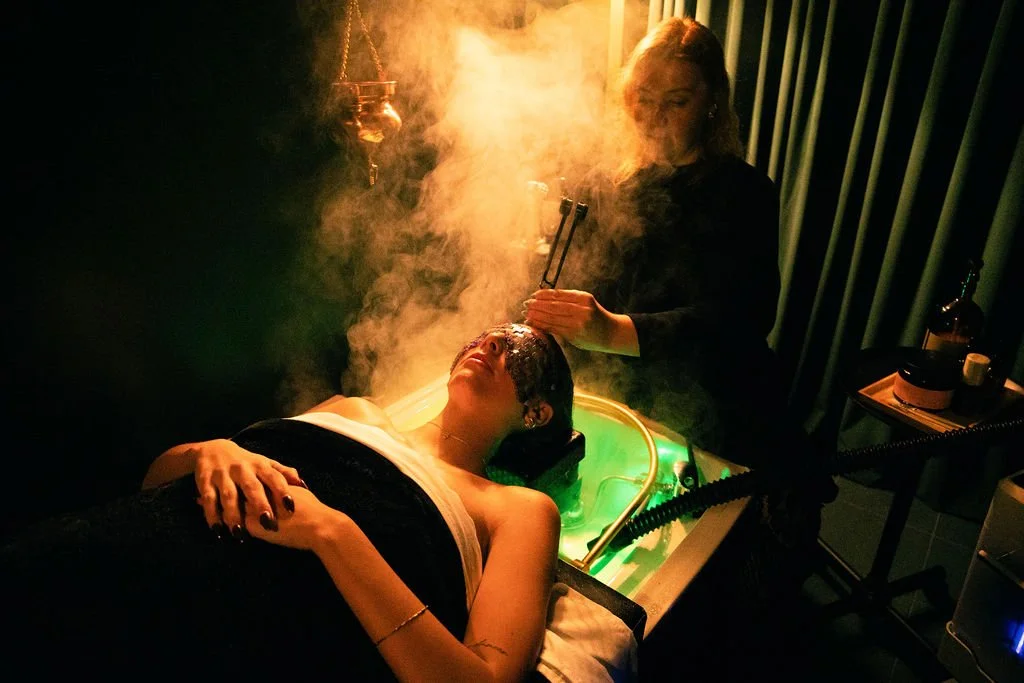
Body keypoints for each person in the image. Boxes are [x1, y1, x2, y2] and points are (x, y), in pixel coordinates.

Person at [1, 323, 574, 682]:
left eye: (520, 353)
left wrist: (334, 534)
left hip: (228, 640)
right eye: (489, 335)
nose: (491, 344)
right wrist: (209, 452)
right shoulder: (352, 410)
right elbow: (155, 481)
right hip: (99, 555)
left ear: (538, 412)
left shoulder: (516, 508)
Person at [524, 17, 834, 679]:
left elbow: (746, 315)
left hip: (718, 399)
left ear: (712, 103)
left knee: (716, 580)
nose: (654, 116)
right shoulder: (609, 185)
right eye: (643, 98)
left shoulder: (743, 192)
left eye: (677, 100)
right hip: (620, 391)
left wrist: (620, 331)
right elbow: (581, 278)